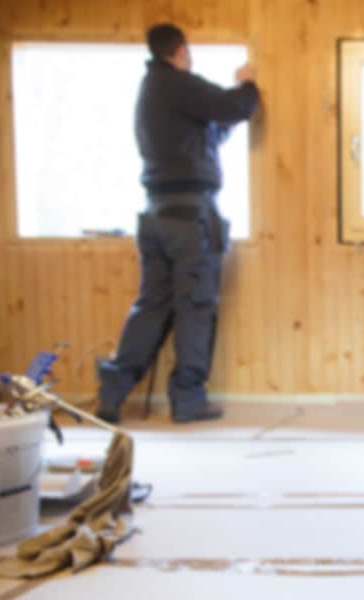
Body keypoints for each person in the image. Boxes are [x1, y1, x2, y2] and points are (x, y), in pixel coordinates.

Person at [96, 23, 259, 424]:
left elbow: (208, 132)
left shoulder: (152, 91)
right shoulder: (176, 83)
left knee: (152, 305)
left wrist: (226, 119)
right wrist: (247, 85)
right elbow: (234, 106)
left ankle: (113, 390)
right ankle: (187, 398)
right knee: (196, 304)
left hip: (156, 214)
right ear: (182, 50)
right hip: (188, 216)